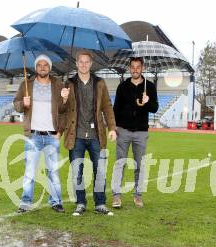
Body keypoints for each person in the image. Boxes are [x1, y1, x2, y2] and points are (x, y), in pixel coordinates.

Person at [60, 50, 117, 216]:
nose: (84, 64)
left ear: (91, 64)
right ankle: (80, 202)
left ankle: (100, 203)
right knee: (77, 172)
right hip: (75, 135)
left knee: (99, 171)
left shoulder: (100, 83)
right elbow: (61, 110)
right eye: (81, 62)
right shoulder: (68, 83)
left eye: (87, 62)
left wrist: (112, 128)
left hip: (95, 135)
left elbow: (107, 106)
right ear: (76, 64)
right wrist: (63, 99)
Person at [13, 54, 69, 213]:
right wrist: (22, 103)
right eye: (39, 65)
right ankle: (25, 202)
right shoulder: (26, 84)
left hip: (52, 136)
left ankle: (56, 201)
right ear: (36, 67)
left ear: (50, 68)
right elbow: (16, 104)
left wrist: (65, 100)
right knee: (30, 172)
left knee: (54, 172)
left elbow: (64, 111)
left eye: (46, 65)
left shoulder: (58, 84)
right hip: (33, 136)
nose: (42, 67)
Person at [111, 57, 158, 208]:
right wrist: (113, 127)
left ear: (142, 68)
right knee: (120, 164)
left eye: (138, 67)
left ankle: (138, 196)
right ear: (129, 68)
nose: (135, 69)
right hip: (123, 131)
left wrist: (147, 102)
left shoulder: (149, 86)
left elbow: (154, 108)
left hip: (141, 132)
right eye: (133, 67)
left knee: (140, 165)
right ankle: (116, 196)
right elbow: (116, 109)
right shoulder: (122, 86)